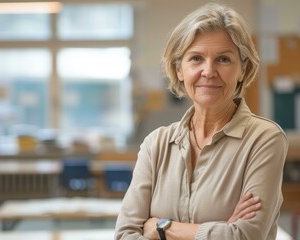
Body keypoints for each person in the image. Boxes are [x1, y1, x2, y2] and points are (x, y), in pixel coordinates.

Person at [115, 2, 288, 240]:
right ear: (179, 70)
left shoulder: (264, 139)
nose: (209, 71)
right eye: (196, 58)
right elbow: (125, 234)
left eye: (224, 59)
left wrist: (161, 227)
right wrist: (221, 230)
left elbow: (245, 236)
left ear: (242, 69)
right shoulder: (156, 145)